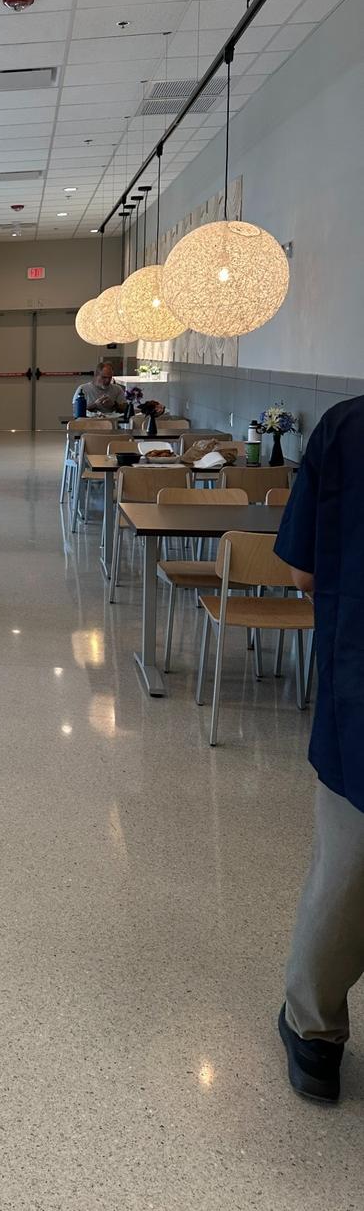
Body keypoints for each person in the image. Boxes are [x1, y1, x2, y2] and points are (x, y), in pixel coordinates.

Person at [274, 395, 364, 1104]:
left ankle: (314, 1034)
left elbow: (303, 573)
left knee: (348, 867)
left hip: (358, 682)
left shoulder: (344, 428)